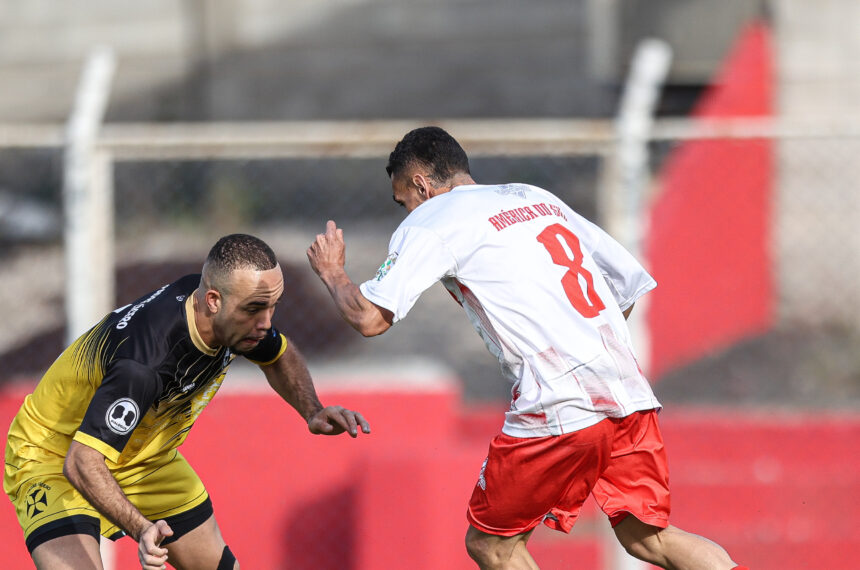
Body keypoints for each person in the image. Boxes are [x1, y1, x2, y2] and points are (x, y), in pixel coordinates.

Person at [307, 126, 747, 570]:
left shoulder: (432, 220)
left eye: (404, 199)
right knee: (650, 539)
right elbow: (626, 286)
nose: (406, 210)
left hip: (558, 400)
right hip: (626, 391)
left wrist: (332, 272)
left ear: (421, 184)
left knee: (492, 546)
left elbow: (368, 317)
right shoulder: (532, 196)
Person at [5, 233, 370, 570]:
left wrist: (313, 410)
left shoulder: (233, 316)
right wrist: (141, 528)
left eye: (272, 307)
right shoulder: (145, 362)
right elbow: (82, 461)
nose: (265, 323)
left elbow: (278, 355)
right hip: (54, 457)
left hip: (145, 457)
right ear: (213, 301)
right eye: (256, 309)